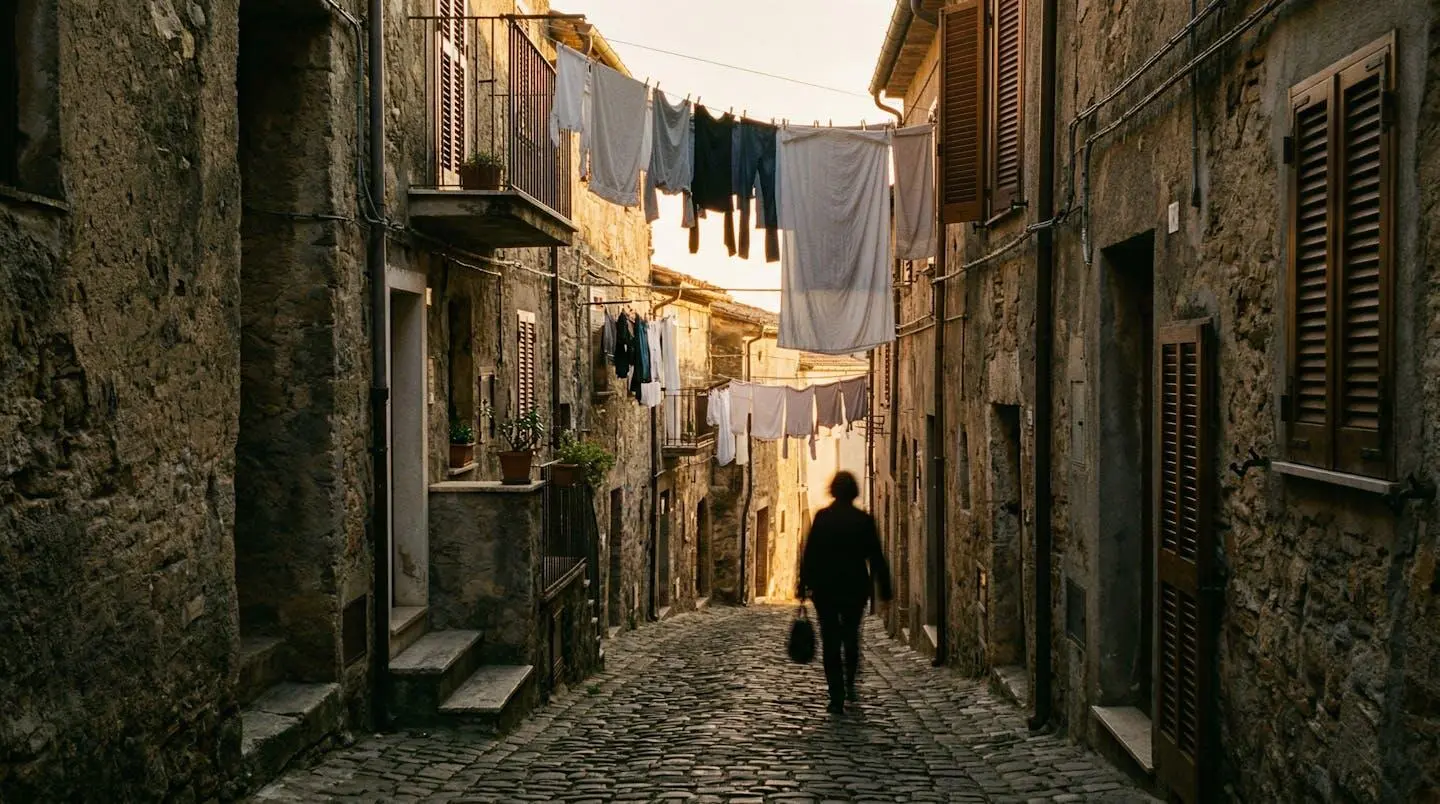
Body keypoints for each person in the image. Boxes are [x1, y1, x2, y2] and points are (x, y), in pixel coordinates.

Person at [797, 471, 893, 713]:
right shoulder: (863, 520)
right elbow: (876, 556)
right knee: (851, 637)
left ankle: (836, 694)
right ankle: (850, 682)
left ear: (833, 491)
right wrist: (885, 588)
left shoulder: (823, 518)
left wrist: (802, 584)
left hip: (826, 588)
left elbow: (810, 554)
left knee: (830, 640)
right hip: (854, 587)